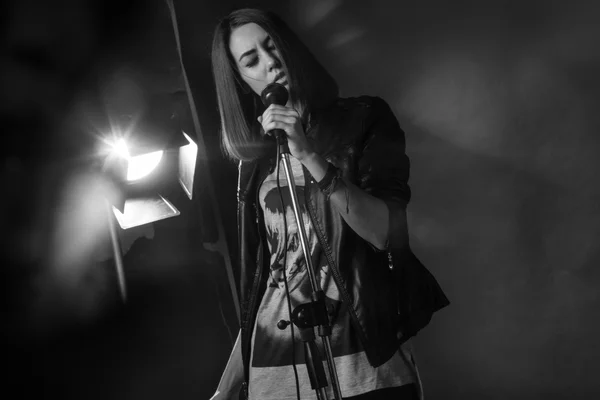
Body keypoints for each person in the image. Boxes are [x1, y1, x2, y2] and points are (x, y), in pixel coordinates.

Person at [209, 8, 449, 400]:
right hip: (274, 375)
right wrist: (226, 389)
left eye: (272, 47)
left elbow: (384, 232)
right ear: (240, 79)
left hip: (361, 367)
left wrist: (311, 156)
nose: (271, 64)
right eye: (252, 60)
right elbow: (266, 283)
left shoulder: (363, 119)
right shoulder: (252, 167)